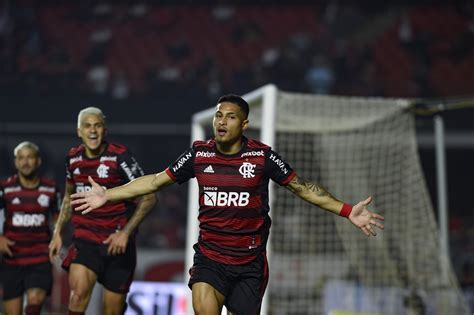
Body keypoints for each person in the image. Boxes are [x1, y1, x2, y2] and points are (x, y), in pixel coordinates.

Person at [71, 95, 385, 315]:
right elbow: (154, 181)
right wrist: (108, 195)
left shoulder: (262, 157)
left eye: (230, 116)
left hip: (249, 264)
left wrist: (347, 211)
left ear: (244, 123)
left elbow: (304, 189)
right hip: (210, 258)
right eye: (219, 115)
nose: (221, 121)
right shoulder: (199, 154)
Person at [48, 107, 156, 315]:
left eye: (97, 125)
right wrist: (57, 232)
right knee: (77, 295)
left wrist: (125, 233)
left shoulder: (119, 156)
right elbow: (69, 198)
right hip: (85, 239)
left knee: (112, 310)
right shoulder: (72, 158)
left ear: (104, 130)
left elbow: (150, 197)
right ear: (79, 131)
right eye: (87, 126)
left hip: (116, 244)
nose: (93, 131)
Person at [0, 141, 61, 315]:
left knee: (34, 302)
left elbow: (58, 217)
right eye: (21, 158)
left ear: (38, 161)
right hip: (12, 259)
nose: (25, 162)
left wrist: (58, 235)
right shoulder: (6, 188)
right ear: (16, 162)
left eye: (29, 157)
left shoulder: (50, 189)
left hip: (39, 259)